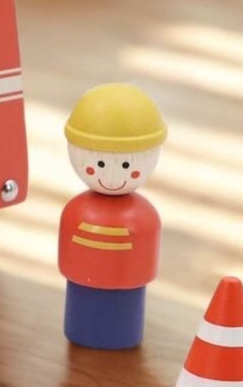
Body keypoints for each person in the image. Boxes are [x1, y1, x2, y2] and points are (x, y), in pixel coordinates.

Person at [59, 83, 166, 350]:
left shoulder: (143, 218)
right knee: (85, 316)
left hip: (127, 298)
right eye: (101, 164)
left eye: (126, 165)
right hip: (81, 290)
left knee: (121, 324)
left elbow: (142, 258)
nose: (110, 176)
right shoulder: (76, 211)